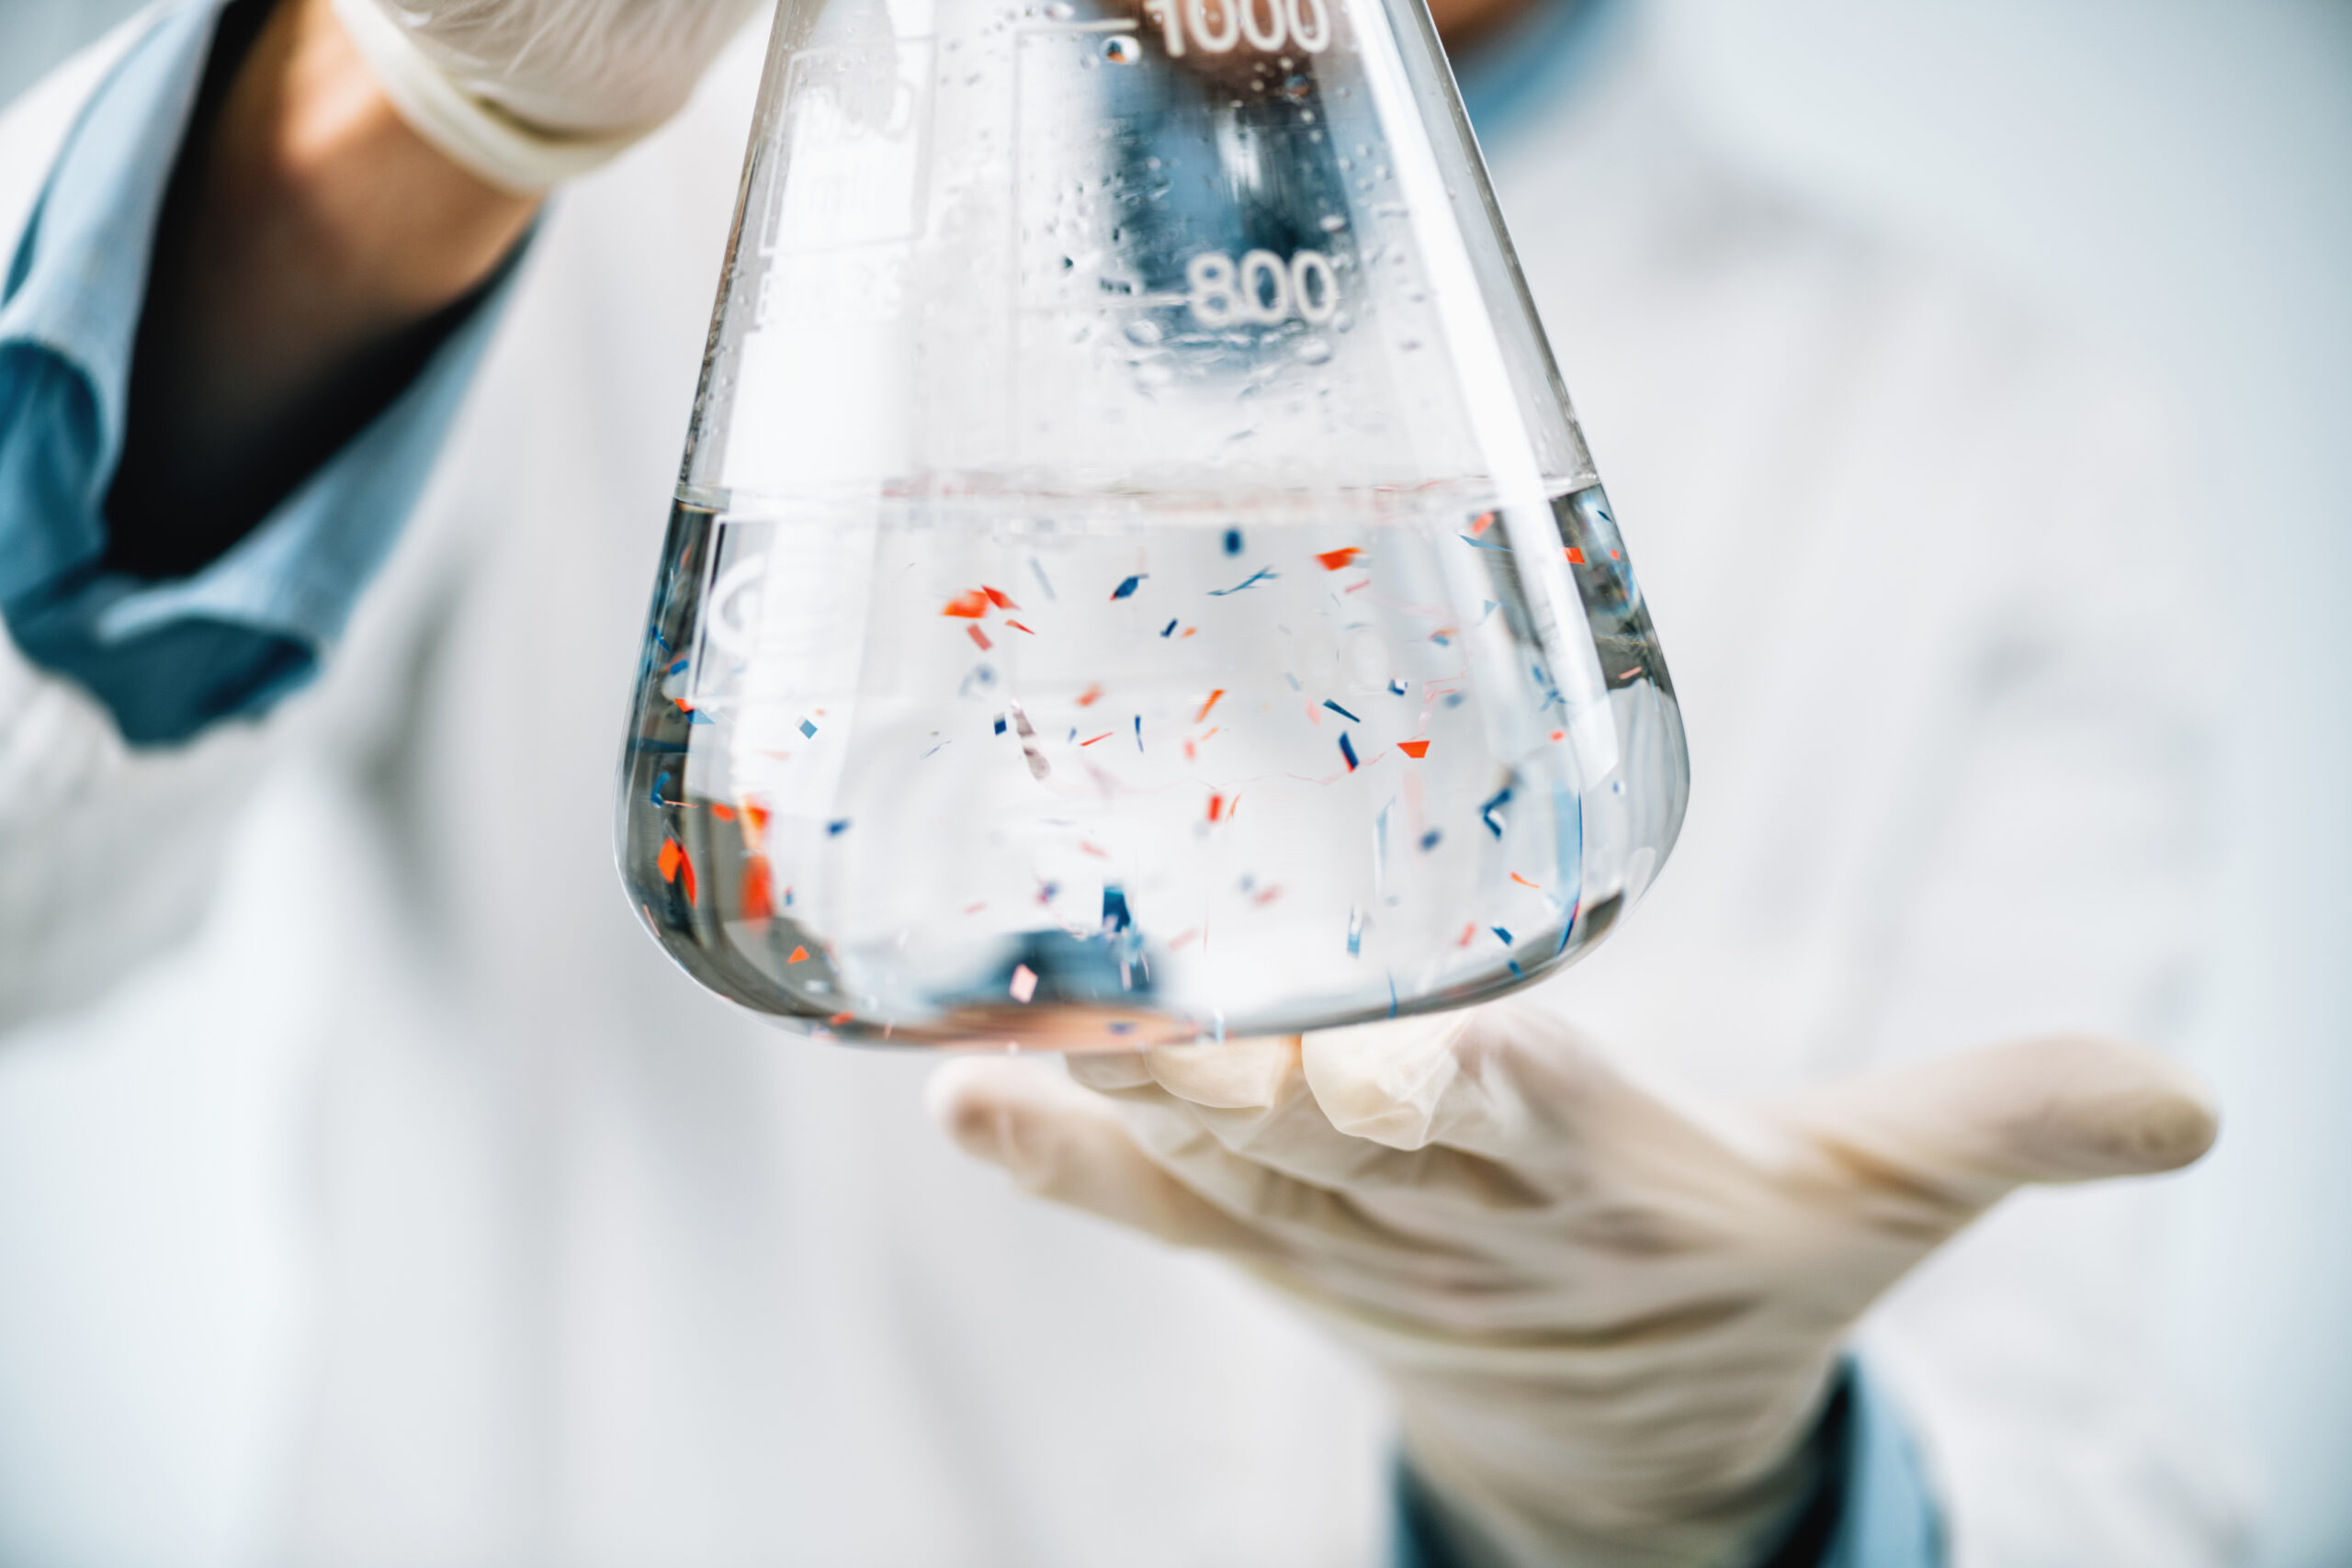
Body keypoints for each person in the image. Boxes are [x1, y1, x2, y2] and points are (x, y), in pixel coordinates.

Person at [0, 0, 2237, 1562]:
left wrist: (1726, 1498)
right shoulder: (625, 172)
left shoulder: (1982, 429)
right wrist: (397, 139)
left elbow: (2075, 1483)